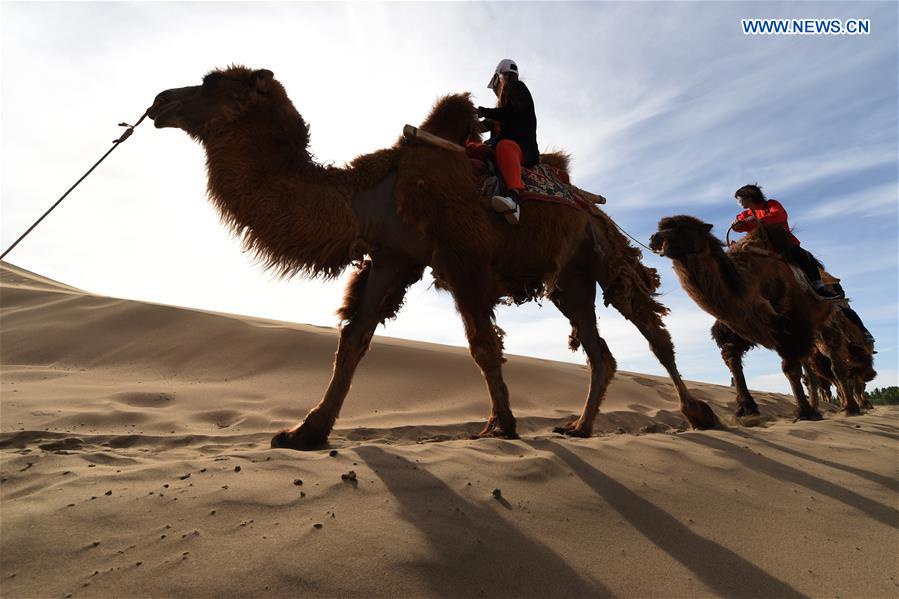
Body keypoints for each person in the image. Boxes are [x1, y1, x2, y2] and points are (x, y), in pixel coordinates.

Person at [731, 184, 874, 343]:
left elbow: (777, 216)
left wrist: (757, 221)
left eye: (740, 199)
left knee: (804, 256)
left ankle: (819, 287)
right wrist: (739, 224)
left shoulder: (771, 205)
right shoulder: (747, 213)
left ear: (750, 197)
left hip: (784, 245)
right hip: (765, 249)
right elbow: (739, 224)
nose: (739, 203)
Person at [475, 59, 539, 225]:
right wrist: (468, 121)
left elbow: (511, 112)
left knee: (505, 146)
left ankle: (513, 199)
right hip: (501, 143)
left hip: (522, 148)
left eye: (496, 84)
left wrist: (484, 111)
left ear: (500, 77)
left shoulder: (519, 89)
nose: (496, 90)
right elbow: (489, 123)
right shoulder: (502, 107)